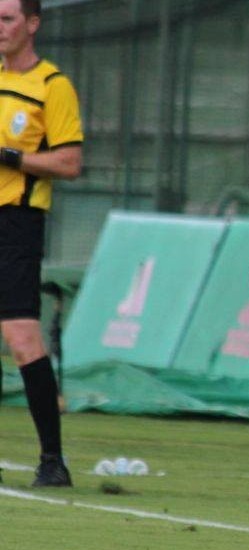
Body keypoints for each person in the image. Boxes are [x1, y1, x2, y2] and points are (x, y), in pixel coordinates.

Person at [0, 0, 82, 488]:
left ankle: (52, 459)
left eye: (8, 19)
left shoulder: (53, 86)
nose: (0, 28)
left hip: (17, 222)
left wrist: (10, 156)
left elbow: (69, 163)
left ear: (32, 24)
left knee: (21, 338)